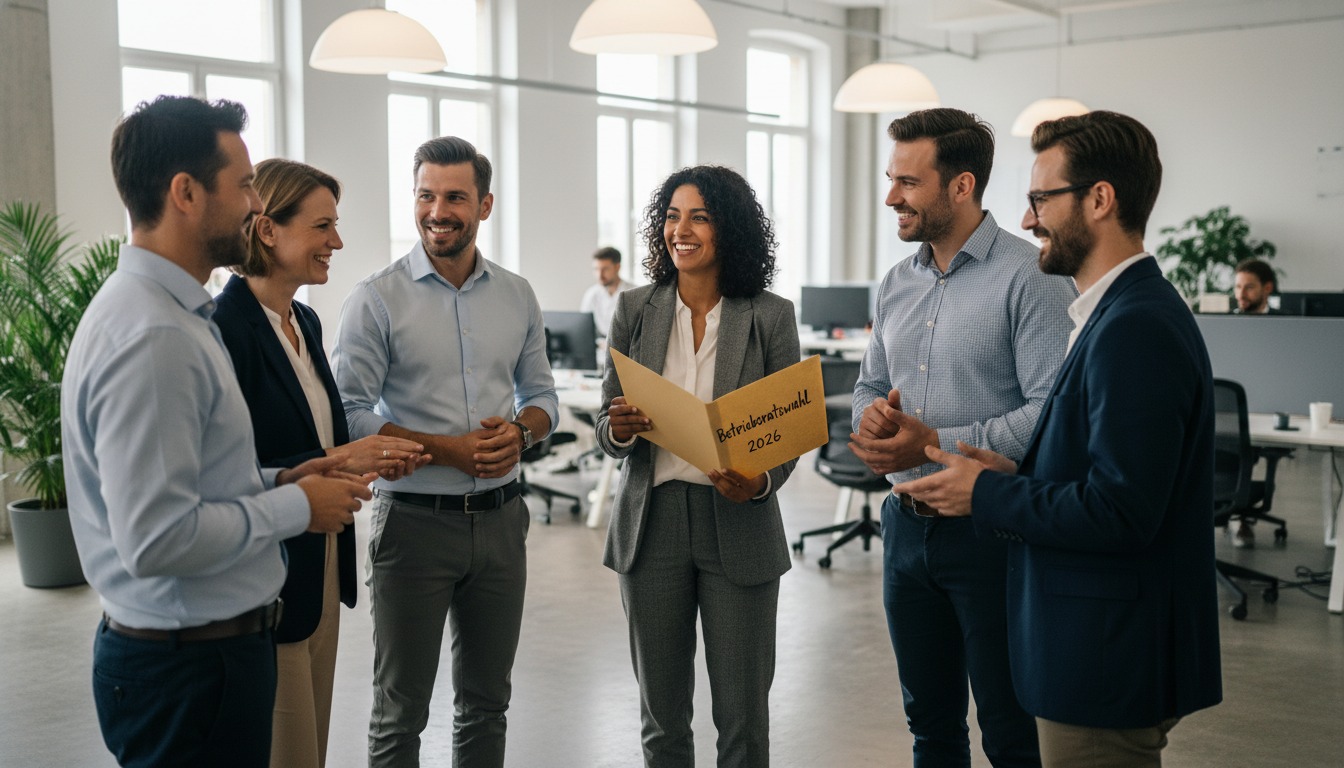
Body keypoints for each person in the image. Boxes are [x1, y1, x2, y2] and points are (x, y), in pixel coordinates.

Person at [892, 111, 1223, 768]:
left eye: (1042, 198)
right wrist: (1015, 476)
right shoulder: (1114, 315)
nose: (1027, 217)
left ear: (1099, 200)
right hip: (1098, 642)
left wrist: (985, 491)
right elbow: (1099, 478)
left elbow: (1122, 511)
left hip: (1106, 652)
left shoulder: (1135, 327)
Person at [61, 95, 373, 768]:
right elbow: (157, 538)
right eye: (244, 186)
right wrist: (297, 505)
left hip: (206, 655)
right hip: (188, 668)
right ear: (185, 193)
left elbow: (199, 482)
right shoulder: (153, 336)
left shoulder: (174, 317)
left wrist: (282, 478)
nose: (255, 206)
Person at [846, 108, 1076, 768]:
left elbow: (1047, 411)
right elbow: (869, 386)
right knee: (930, 726)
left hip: (990, 534)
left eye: (908, 183)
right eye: (892, 179)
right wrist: (873, 423)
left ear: (961, 186)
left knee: (1010, 731)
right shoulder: (895, 283)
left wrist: (932, 443)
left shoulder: (1032, 276)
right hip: (904, 527)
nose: (891, 196)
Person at [333, 136, 558, 768]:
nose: (439, 210)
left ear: (484, 205)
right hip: (412, 528)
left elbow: (541, 395)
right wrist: (447, 451)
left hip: (502, 522)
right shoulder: (375, 299)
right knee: (400, 711)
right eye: (426, 195)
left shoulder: (517, 296)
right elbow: (350, 416)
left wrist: (522, 432)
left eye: (455, 197)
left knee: (487, 705)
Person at [211, 158, 430, 768]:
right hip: (267, 580)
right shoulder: (224, 330)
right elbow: (237, 468)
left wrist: (372, 461)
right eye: (322, 226)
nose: (336, 241)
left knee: (312, 749)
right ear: (267, 230)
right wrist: (342, 455)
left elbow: (319, 442)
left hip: (322, 569)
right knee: (289, 753)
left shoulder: (303, 320)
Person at [596, 165, 801, 767]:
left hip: (737, 520)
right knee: (662, 719)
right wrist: (620, 430)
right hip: (651, 524)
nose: (680, 230)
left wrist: (760, 480)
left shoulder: (769, 315)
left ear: (729, 229)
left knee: (742, 719)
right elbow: (608, 425)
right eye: (672, 217)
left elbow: (787, 431)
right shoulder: (635, 310)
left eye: (700, 217)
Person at [580, 245, 632, 338]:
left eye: (605, 269)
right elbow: (584, 327)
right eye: (596, 269)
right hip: (599, 346)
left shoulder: (634, 293)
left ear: (617, 267)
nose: (599, 275)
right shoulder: (592, 294)